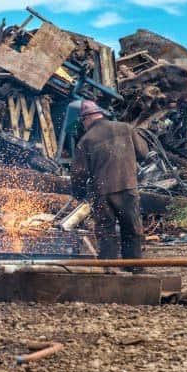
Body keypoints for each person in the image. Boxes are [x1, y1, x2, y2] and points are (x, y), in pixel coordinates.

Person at [70, 99, 149, 260]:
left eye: (83, 121)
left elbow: (79, 173)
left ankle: (110, 269)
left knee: (106, 233)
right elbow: (143, 153)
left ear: (87, 118)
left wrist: (78, 193)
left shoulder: (86, 140)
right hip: (128, 188)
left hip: (102, 194)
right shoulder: (126, 128)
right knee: (132, 230)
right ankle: (135, 269)